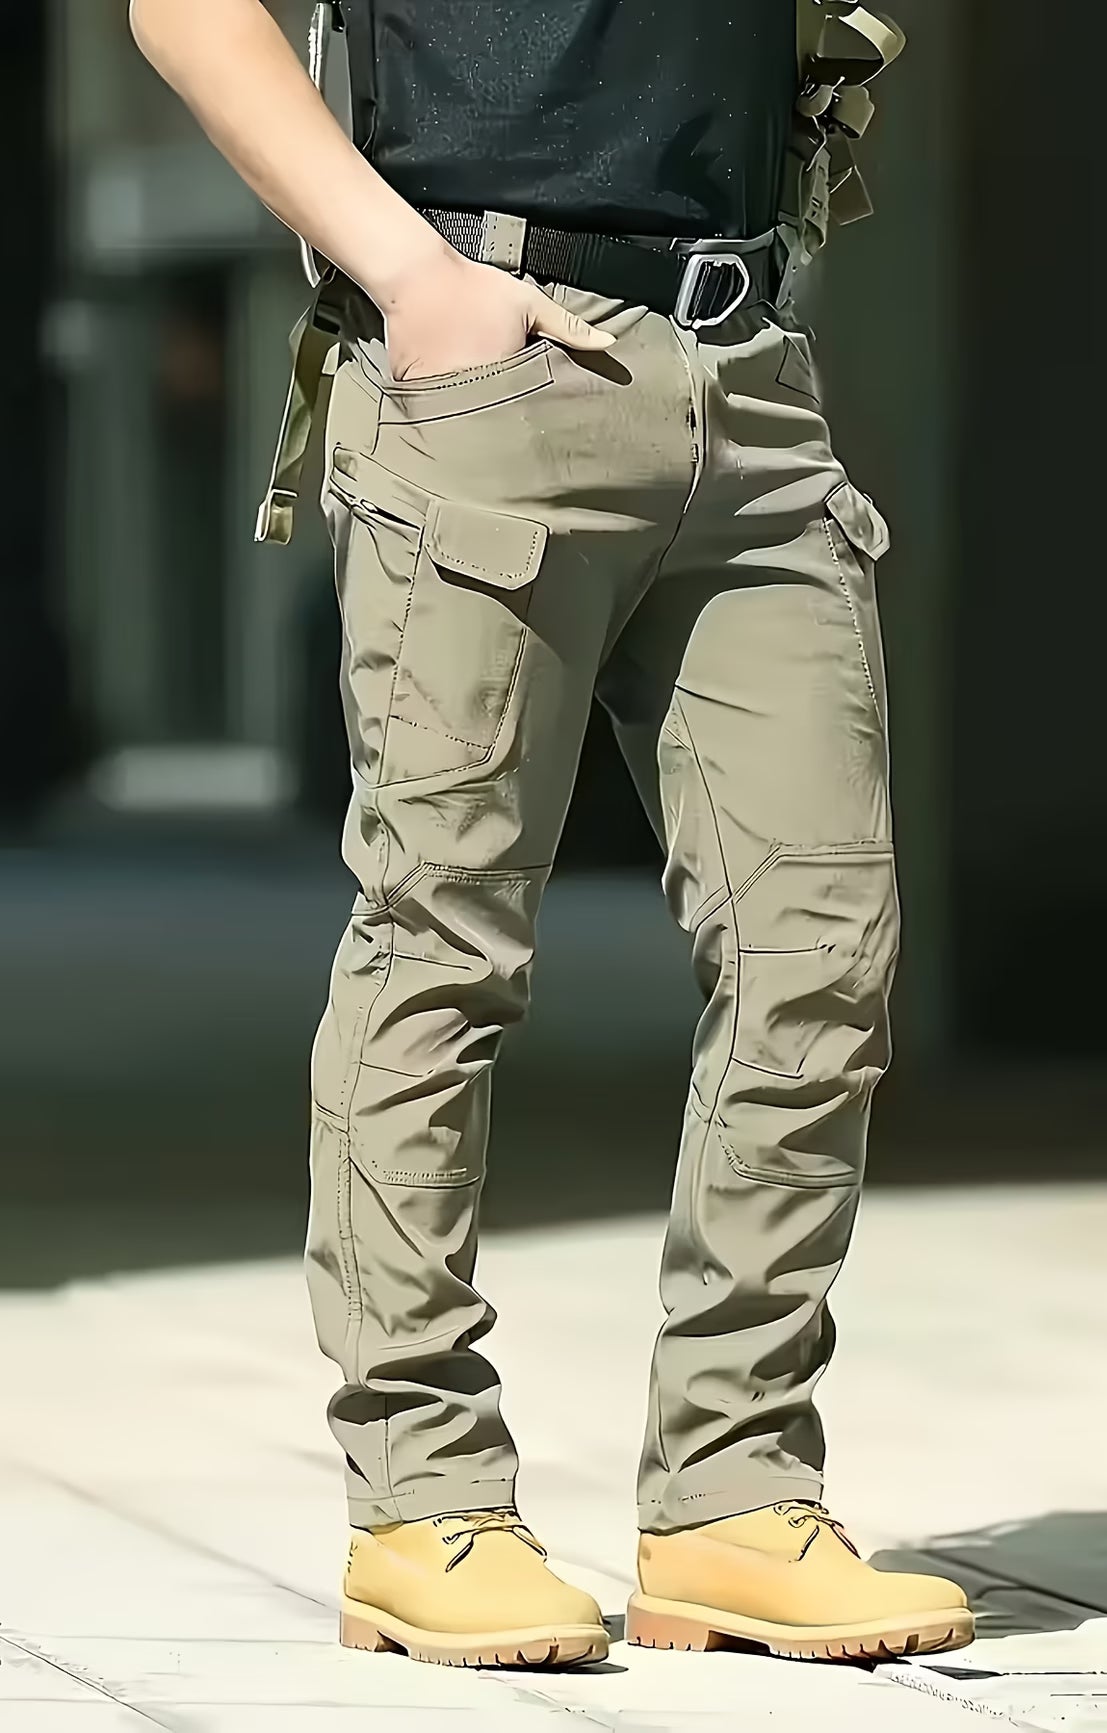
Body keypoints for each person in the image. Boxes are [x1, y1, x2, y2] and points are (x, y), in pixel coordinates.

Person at [131, 0, 973, 1672]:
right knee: (442, 944)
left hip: (748, 375)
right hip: (490, 353)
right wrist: (408, 276)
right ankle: (424, 1497)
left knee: (821, 951)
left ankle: (734, 1489)